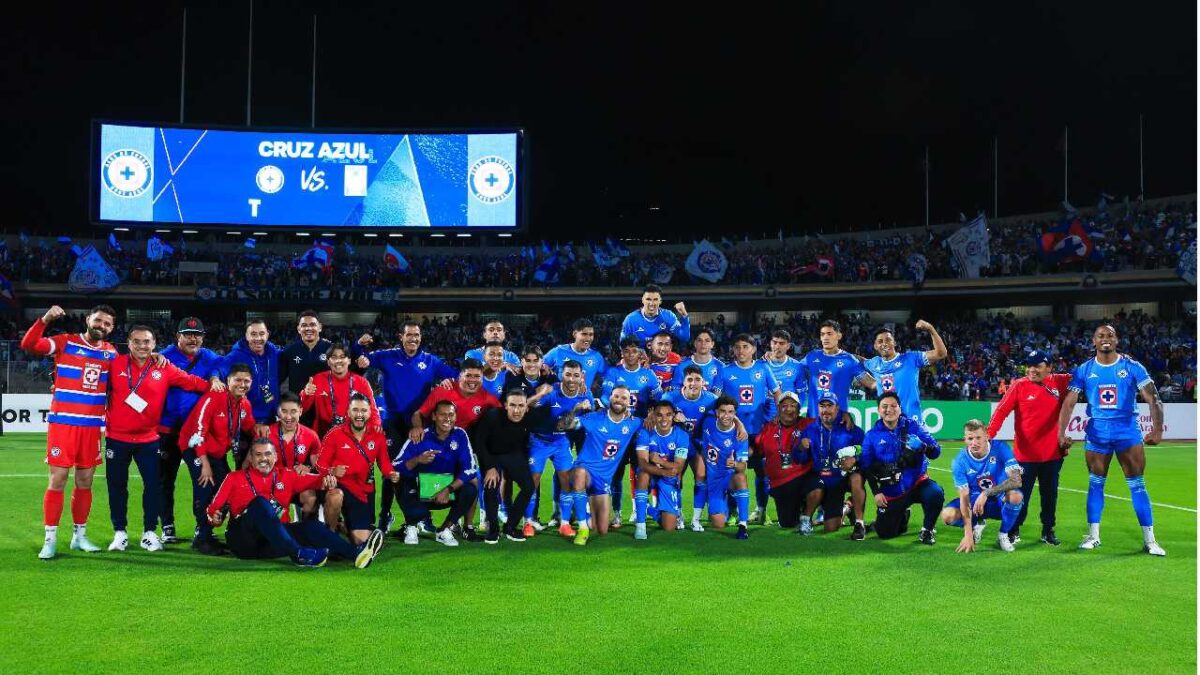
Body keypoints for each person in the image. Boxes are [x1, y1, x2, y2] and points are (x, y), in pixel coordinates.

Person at [1056, 324, 1165, 555]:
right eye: (1101, 336)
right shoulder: (1084, 370)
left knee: (1137, 485)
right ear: (1094, 342)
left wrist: (1157, 430)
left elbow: (1153, 397)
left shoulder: (1132, 366)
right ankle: (1093, 536)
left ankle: (1150, 540)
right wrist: (1061, 432)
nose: (1106, 339)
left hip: (1127, 432)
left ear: (1117, 340)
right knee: (1096, 483)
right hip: (1097, 433)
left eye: (1110, 335)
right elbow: (1069, 402)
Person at [22, 304, 118, 560]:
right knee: (58, 480)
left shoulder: (111, 354)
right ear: (88, 319)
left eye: (107, 324)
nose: (102, 326)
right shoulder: (66, 343)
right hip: (63, 425)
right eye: (99, 320)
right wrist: (44, 320)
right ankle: (50, 539)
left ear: (112, 329)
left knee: (85, 481)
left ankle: (79, 536)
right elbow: (29, 345)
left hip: (91, 428)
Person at [104, 325, 211, 553]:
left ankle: (149, 532)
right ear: (129, 343)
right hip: (117, 438)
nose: (142, 346)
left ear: (154, 344)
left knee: (153, 486)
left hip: (148, 439)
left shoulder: (164, 367)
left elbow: (192, 382)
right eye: (137, 341)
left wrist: (217, 384)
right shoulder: (115, 364)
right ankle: (119, 532)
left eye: (147, 342)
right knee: (117, 486)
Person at [206, 437, 384, 568]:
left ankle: (357, 554)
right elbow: (213, 512)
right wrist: (215, 518)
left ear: (275, 457)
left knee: (311, 526)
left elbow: (318, 480)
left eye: (268, 454)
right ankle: (298, 554)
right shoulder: (234, 478)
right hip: (243, 541)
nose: (263, 459)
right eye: (258, 455)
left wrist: (328, 479)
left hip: (272, 543)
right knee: (259, 503)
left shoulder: (286, 475)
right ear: (251, 459)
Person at [353, 321, 457, 533]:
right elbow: (362, 362)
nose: (413, 339)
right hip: (394, 423)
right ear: (401, 336)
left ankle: (423, 517)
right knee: (391, 470)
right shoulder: (387, 356)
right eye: (409, 335)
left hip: (421, 422)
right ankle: (385, 516)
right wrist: (358, 346)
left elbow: (455, 375)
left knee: (422, 468)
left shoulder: (430, 361)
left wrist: (448, 381)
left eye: (417, 335)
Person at [986, 349, 1071, 546]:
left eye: (1037, 366)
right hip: (1024, 457)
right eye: (1029, 365)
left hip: (1052, 455)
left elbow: (1086, 375)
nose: (1032, 370)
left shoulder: (1060, 382)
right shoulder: (1019, 386)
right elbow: (1000, 412)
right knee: (1020, 496)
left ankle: (1048, 530)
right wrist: (988, 436)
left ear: (1049, 367)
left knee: (1050, 496)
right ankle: (1013, 530)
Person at [158, 317, 225, 544]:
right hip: (167, 430)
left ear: (203, 338)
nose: (192, 338)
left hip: (194, 434)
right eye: (187, 334)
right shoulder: (164, 356)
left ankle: (201, 525)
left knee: (202, 481)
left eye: (197, 335)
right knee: (165, 480)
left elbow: (221, 366)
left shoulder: (208, 357)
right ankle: (167, 526)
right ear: (178, 337)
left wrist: (215, 375)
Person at [179, 364, 257, 554]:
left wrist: (263, 430)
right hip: (195, 448)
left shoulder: (244, 404)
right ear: (228, 381)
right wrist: (204, 464)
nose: (242, 384)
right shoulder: (214, 397)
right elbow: (198, 432)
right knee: (205, 487)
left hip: (218, 453)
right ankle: (201, 537)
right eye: (238, 380)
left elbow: (250, 426)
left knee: (230, 489)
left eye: (246, 381)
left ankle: (213, 532)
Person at [558, 385, 640, 546]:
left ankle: (581, 509)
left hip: (603, 479)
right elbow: (563, 425)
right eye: (616, 396)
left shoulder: (633, 422)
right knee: (580, 473)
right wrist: (575, 409)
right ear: (610, 398)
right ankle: (582, 528)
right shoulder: (594, 418)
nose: (619, 400)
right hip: (585, 470)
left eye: (624, 398)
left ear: (629, 402)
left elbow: (653, 423)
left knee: (601, 529)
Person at [713, 333, 782, 525]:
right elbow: (714, 399)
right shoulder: (725, 372)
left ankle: (761, 510)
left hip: (759, 431)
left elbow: (777, 392)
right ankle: (733, 511)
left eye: (745, 346)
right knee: (734, 470)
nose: (741, 350)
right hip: (733, 432)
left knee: (763, 472)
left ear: (753, 349)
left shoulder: (763, 368)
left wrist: (779, 414)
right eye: (737, 347)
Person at [859, 392, 943, 544]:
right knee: (885, 533)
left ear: (899, 408)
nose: (889, 410)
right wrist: (876, 492)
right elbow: (866, 466)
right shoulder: (871, 436)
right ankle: (902, 515)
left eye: (893, 406)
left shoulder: (914, 426)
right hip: (892, 490)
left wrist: (923, 446)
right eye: (884, 406)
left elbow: (936, 451)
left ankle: (927, 530)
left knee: (935, 493)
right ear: (878, 410)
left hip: (918, 483)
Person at [394, 400, 480, 547]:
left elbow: (470, 468)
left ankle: (445, 529)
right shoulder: (420, 436)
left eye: (451, 415)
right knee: (397, 479)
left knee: (471, 488)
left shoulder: (460, 435)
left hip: (446, 492)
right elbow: (395, 465)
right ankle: (411, 525)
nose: (447, 419)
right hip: (419, 491)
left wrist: (448, 489)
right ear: (434, 416)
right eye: (442, 414)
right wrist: (417, 460)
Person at [319, 394, 399, 546]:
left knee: (361, 541)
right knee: (335, 496)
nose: (359, 414)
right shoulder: (335, 434)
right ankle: (329, 537)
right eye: (355, 410)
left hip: (362, 490)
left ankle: (342, 527)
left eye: (363, 410)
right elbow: (320, 464)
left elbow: (384, 462)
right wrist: (333, 470)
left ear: (370, 412)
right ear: (348, 412)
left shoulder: (377, 435)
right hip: (339, 485)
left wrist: (391, 473)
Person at [524, 360, 591, 536]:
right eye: (568, 374)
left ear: (581, 377)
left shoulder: (586, 396)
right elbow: (525, 406)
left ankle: (565, 523)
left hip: (561, 441)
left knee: (566, 480)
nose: (571, 379)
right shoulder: (551, 390)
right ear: (561, 374)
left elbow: (565, 427)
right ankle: (528, 522)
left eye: (576, 375)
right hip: (538, 440)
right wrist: (539, 395)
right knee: (533, 479)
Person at [600, 337, 662, 527]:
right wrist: (616, 406)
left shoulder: (649, 375)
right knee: (616, 475)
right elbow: (604, 396)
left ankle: (640, 510)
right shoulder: (613, 372)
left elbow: (659, 399)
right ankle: (617, 513)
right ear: (622, 353)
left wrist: (653, 410)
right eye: (626, 351)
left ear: (640, 353)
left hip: (640, 434)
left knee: (642, 472)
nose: (630, 354)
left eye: (634, 351)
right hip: (617, 433)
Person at [473, 390, 549, 543]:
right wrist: (489, 467)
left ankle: (510, 527)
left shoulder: (530, 417)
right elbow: (479, 443)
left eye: (521, 406)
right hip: (491, 454)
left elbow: (552, 421)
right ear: (505, 406)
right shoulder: (492, 416)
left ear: (526, 407)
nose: (516, 410)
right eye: (512, 405)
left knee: (528, 487)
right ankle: (493, 529)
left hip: (513, 454)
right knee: (490, 486)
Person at [941, 420, 1024, 553]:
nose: (974, 442)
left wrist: (986, 493)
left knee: (1016, 496)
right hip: (975, 503)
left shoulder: (1000, 448)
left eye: (978, 437)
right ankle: (976, 526)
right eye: (970, 438)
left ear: (987, 436)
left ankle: (1003, 535)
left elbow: (1016, 480)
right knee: (948, 515)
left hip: (998, 499)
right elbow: (964, 498)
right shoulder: (959, 461)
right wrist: (967, 535)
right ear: (965, 439)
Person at [795, 393, 867, 539]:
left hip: (840, 480)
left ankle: (857, 519)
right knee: (817, 493)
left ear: (837, 408)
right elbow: (799, 459)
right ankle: (806, 519)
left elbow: (866, 451)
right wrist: (801, 448)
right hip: (820, 477)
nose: (826, 410)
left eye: (830, 406)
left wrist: (855, 459)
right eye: (822, 406)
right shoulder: (810, 429)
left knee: (831, 528)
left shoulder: (851, 429)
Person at [661, 365, 718, 531]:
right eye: (690, 379)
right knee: (675, 478)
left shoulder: (711, 399)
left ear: (703, 382)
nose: (694, 383)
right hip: (677, 445)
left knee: (701, 476)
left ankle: (696, 519)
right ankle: (678, 515)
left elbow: (725, 415)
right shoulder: (670, 397)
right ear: (683, 382)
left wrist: (740, 426)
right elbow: (659, 419)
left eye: (697, 379)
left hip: (698, 444)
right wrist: (672, 418)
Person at [864, 320, 948, 422]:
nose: (884, 344)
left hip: (912, 423)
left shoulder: (911, 358)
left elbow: (941, 354)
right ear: (875, 346)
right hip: (888, 425)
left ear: (894, 343)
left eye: (888, 340)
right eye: (880, 341)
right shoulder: (874, 363)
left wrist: (930, 329)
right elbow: (856, 361)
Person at [753, 392, 815, 530]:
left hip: (803, 476)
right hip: (780, 483)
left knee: (820, 483)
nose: (789, 409)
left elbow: (830, 420)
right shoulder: (769, 428)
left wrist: (844, 415)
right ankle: (797, 505)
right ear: (778, 408)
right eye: (784, 406)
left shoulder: (808, 424)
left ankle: (807, 512)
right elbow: (757, 448)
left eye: (793, 405)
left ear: (799, 409)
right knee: (787, 523)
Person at [632, 400, 692, 540]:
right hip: (653, 473)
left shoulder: (682, 436)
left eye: (668, 415)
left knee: (669, 527)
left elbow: (678, 468)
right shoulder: (645, 433)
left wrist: (658, 460)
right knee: (643, 475)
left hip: (669, 478)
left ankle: (648, 508)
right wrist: (665, 470)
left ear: (673, 416)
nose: (664, 419)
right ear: (654, 415)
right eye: (659, 415)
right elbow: (642, 464)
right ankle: (640, 526)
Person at [798, 320, 876, 419]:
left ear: (839, 336)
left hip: (838, 420)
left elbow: (871, 383)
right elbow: (793, 370)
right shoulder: (812, 356)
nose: (825, 337)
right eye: (822, 334)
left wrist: (896, 382)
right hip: (813, 420)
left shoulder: (849, 360)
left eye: (829, 334)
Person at [699, 396, 752, 539]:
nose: (726, 415)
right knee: (718, 523)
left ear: (735, 414)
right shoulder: (708, 422)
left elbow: (743, 467)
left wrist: (734, 464)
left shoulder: (741, 436)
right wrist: (739, 422)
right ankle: (729, 505)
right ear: (716, 412)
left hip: (729, 476)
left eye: (730, 412)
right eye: (723, 411)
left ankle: (743, 526)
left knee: (741, 477)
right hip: (713, 479)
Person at [300, 342, 381, 436]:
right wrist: (306, 393)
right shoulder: (318, 379)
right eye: (334, 357)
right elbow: (302, 408)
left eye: (342, 357)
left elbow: (372, 410)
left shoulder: (361, 382)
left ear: (349, 360)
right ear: (328, 362)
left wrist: (376, 427)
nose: (338, 360)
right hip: (323, 437)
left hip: (352, 437)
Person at [267, 393, 323, 518]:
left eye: (293, 411)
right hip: (274, 484)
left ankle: (306, 532)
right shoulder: (266, 434)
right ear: (278, 411)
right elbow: (252, 465)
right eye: (284, 411)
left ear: (300, 411)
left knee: (311, 499)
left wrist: (308, 467)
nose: (288, 417)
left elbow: (319, 466)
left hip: (298, 482)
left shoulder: (311, 435)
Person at [220, 320, 281, 436]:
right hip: (245, 421)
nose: (258, 338)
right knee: (240, 452)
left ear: (267, 335)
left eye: (262, 334)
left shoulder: (275, 354)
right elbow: (218, 369)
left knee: (269, 453)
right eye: (253, 334)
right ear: (246, 336)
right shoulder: (236, 355)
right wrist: (215, 379)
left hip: (272, 419)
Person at [278, 310, 333, 395]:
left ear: (320, 327)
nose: (308, 328)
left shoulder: (331, 349)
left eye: (312, 325)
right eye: (304, 325)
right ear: (299, 329)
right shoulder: (289, 351)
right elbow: (278, 378)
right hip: (298, 405)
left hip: (324, 405)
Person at [544, 318, 605, 394]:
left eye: (591, 335)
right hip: (559, 401)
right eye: (584, 334)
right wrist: (544, 368)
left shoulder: (597, 357)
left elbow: (605, 376)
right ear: (575, 334)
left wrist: (594, 386)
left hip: (583, 402)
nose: (588, 338)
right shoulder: (559, 351)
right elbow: (540, 365)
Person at [620, 284, 690, 346]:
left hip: (661, 357)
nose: (651, 303)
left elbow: (684, 337)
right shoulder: (631, 319)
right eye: (648, 299)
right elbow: (622, 343)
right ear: (642, 300)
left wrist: (684, 315)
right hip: (639, 357)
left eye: (655, 299)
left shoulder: (668, 316)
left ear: (660, 301)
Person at [670, 328, 724, 393]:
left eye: (707, 341)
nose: (703, 343)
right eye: (699, 340)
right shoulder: (682, 366)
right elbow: (675, 391)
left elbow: (718, 393)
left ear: (712, 344)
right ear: (695, 343)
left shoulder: (720, 366)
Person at [762, 329, 806, 402]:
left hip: (787, 412)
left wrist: (795, 411)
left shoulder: (797, 366)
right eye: (775, 342)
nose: (777, 346)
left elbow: (801, 393)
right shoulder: (761, 364)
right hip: (764, 412)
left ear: (788, 346)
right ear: (770, 343)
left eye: (781, 343)